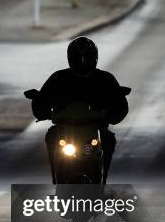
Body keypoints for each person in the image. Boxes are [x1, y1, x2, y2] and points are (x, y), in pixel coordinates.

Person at [32, 37, 129, 183]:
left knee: (108, 139)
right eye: (78, 57)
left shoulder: (105, 79)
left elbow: (119, 103)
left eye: (87, 57)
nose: (82, 61)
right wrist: (41, 107)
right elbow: (43, 98)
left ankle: (102, 181)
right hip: (65, 129)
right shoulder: (59, 78)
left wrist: (111, 114)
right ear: (70, 58)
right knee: (51, 136)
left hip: (94, 128)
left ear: (94, 58)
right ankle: (56, 180)